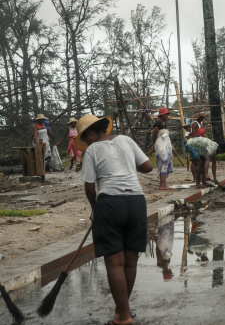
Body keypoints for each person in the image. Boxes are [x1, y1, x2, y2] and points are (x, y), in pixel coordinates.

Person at [76, 114, 152, 325]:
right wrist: (126, 164)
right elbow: (147, 167)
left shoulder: (93, 149)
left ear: (90, 133)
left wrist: (95, 211)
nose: (86, 143)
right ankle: (121, 312)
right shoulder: (126, 140)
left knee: (115, 264)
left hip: (110, 203)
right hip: (136, 202)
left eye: (85, 138)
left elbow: (90, 187)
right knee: (130, 262)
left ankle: (125, 317)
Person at [151, 107, 173, 190]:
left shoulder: (164, 124)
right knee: (163, 161)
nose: (167, 116)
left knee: (166, 162)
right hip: (160, 145)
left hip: (165, 145)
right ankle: (162, 184)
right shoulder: (157, 125)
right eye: (166, 114)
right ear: (162, 115)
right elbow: (154, 136)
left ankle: (163, 183)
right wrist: (154, 146)